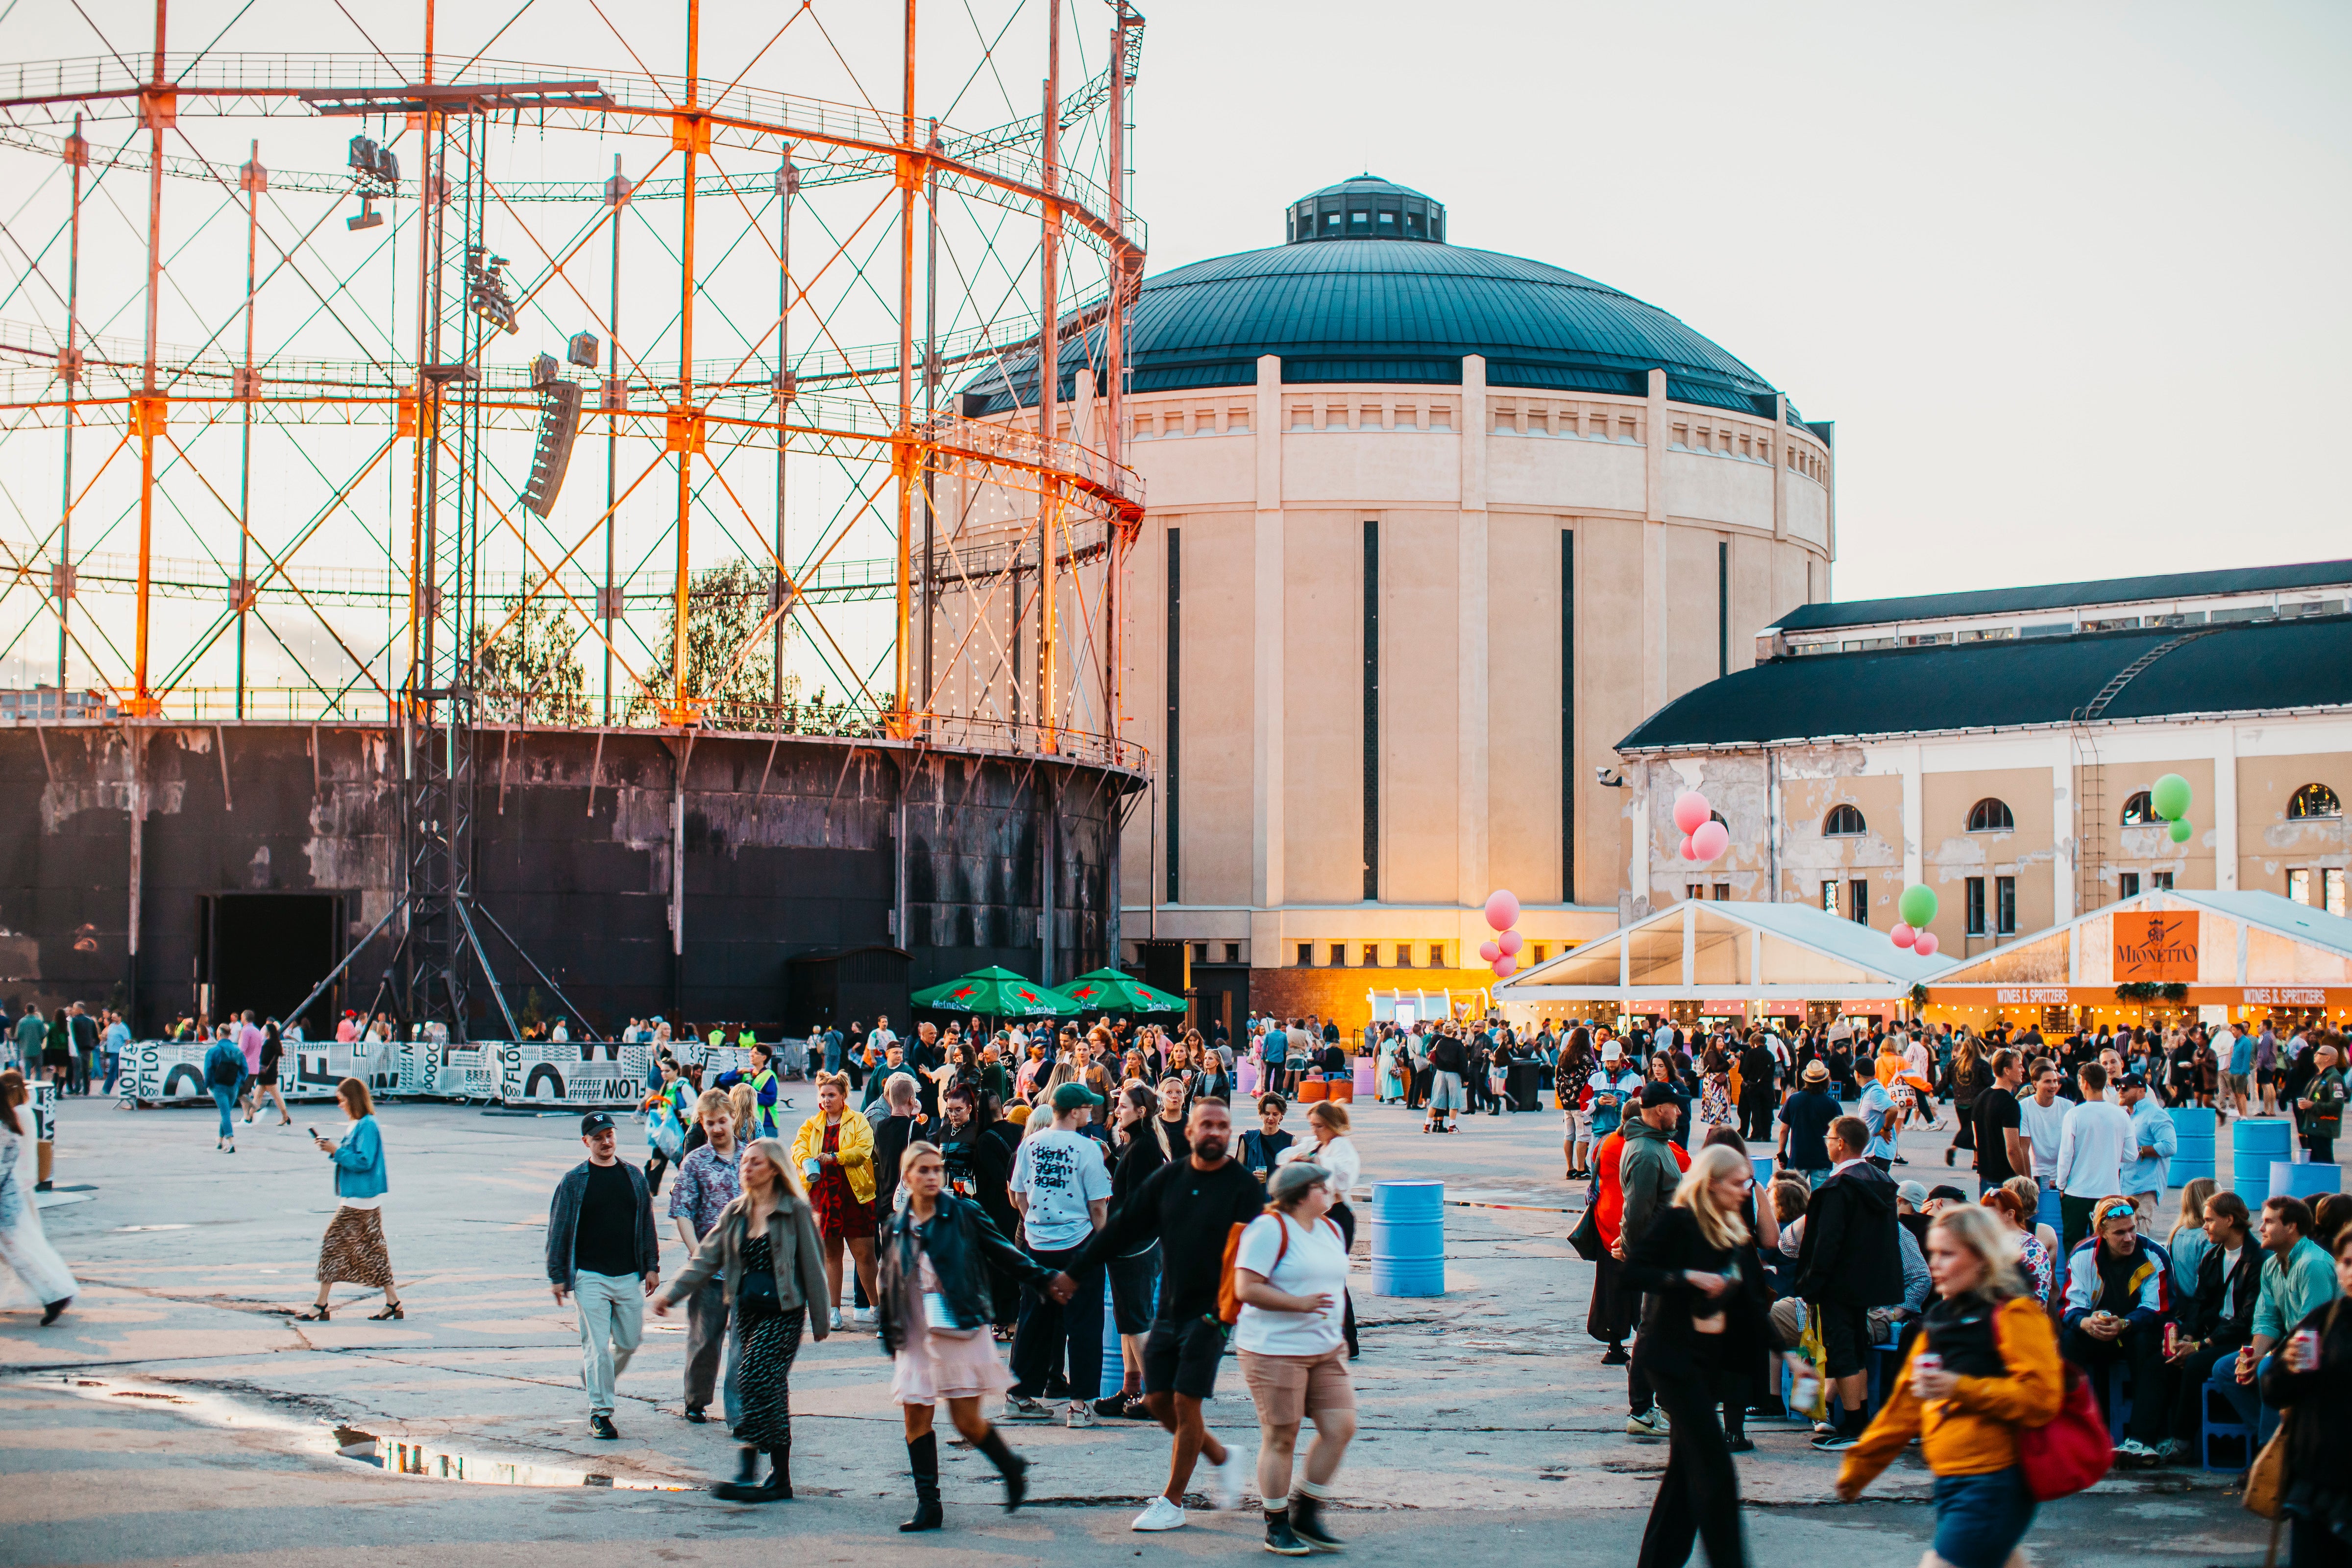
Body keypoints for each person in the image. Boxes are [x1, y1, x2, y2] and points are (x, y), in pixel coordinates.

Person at [1067, 1096, 1262, 1533]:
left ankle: (1172, 1501)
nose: (1213, 1132)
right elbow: (1122, 1226)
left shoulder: (1245, 1188)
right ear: (1188, 1132)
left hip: (1213, 1315)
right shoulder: (1169, 1179)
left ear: (1230, 1134)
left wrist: (1225, 1313)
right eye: (1205, 1125)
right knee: (1156, 1401)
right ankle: (1221, 1456)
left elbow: (1255, 1255)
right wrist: (1076, 1271)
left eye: (1222, 1126)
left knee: (1185, 1403)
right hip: (1171, 1307)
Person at [1834, 1205, 2063, 1568]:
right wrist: (1860, 1468)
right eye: (1933, 1253)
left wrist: (1960, 1387)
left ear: (1981, 1257)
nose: (1934, 1265)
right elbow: (1906, 1405)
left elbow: (2042, 1399)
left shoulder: (2015, 1314)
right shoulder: (1941, 1320)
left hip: (1996, 1483)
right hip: (1952, 1482)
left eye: (1947, 1254)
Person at [878, 1140, 1068, 1531]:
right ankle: (929, 1505)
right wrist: (888, 1329)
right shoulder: (897, 1225)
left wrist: (1045, 1278)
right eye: (924, 1170)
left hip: (959, 1325)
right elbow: (889, 1281)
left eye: (937, 1169)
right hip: (917, 1332)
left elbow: (1004, 1252)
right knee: (916, 1414)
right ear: (908, 1177)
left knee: (966, 1421)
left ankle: (1011, 1467)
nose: (933, 1177)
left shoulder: (963, 1212)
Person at [654, 1137, 830, 1501]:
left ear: (775, 1169)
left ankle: (750, 1470)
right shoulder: (736, 1212)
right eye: (744, 1162)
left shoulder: (794, 1209)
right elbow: (706, 1258)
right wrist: (671, 1294)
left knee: (752, 1376)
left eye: (756, 1163)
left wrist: (821, 1318)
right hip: (748, 1311)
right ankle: (777, 1477)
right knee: (765, 1386)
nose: (746, 1168)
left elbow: (813, 1265)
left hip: (785, 1312)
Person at [1619, 1142, 1767, 1568]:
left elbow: (1753, 1302)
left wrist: (1786, 1355)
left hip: (1708, 1366)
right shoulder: (1680, 1222)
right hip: (1673, 1364)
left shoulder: (1734, 1230)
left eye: (1749, 1181)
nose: (1746, 1189)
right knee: (1717, 1474)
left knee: (1684, 1477)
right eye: (1739, 1182)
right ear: (1713, 1183)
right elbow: (1633, 1272)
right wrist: (1688, 1277)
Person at [1234, 1161, 1357, 1555]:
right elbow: (1246, 1288)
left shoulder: (1331, 1228)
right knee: (1282, 1436)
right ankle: (1276, 1523)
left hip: (1325, 1348)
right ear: (1302, 1193)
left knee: (1341, 1427)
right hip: (1274, 1349)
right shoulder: (1269, 1229)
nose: (1331, 1191)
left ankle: (1307, 1510)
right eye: (1323, 1186)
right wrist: (1298, 1304)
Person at [546, 1111, 661, 1439]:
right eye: (598, 1137)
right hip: (589, 1276)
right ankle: (601, 1413)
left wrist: (651, 1266)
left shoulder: (634, 1177)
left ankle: (595, 1375)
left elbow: (646, 1226)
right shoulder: (573, 1181)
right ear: (586, 1142)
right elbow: (559, 1230)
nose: (606, 1141)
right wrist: (558, 1275)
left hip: (628, 1275)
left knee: (628, 1341)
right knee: (596, 1347)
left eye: (609, 1134)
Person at [1004, 1082, 1114, 1425]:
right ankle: (1079, 1405)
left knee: (1033, 1320)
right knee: (1083, 1323)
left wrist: (1033, 1223)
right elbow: (1098, 1207)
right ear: (1074, 1112)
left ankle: (1018, 1395)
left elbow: (1018, 1194)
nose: (1092, 1112)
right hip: (1078, 1242)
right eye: (1087, 1107)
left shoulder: (1030, 1143)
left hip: (1037, 1244)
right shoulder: (1087, 1149)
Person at [1793, 1116, 1905, 1451]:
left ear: (1840, 1143)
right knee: (1856, 1349)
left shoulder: (1837, 1188)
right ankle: (1860, 1419)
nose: (1826, 1141)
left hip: (1838, 1285)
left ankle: (1855, 1425)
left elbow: (1827, 1242)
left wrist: (1811, 1285)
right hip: (1868, 1283)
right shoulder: (1880, 1181)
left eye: (1829, 1136)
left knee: (1843, 1354)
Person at [2257, 1225, 2352, 1568]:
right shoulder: (2323, 1322)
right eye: (2347, 1262)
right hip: (2317, 1484)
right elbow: (2274, 1392)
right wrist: (2287, 1367)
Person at [2059, 1195, 2172, 1464]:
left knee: (2148, 1344)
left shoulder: (2154, 1255)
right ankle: (2080, 1435)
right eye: (2120, 1233)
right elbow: (2070, 1306)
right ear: (2101, 1233)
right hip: (2097, 1331)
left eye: (2132, 1229)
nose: (2129, 1238)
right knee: (2068, 1341)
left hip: (2135, 1332)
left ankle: (2142, 1440)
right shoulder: (2083, 1255)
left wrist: (2125, 1324)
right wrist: (2087, 1322)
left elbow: (2157, 1308)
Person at [292, 1079, 402, 1322]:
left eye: (342, 1100)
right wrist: (332, 1149)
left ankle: (321, 1305)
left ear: (354, 1099)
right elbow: (351, 1157)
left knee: (332, 1245)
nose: (339, 1104)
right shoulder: (357, 1124)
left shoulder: (368, 1125)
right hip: (360, 1196)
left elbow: (364, 1161)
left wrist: (335, 1151)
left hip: (360, 1198)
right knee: (374, 1251)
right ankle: (393, 1302)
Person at [2164, 1188, 2259, 1464]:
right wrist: (2189, 1337)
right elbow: (2199, 1304)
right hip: (2214, 1333)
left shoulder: (2256, 1260)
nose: (2204, 1226)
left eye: (2210, 1220)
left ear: (2230, 1220)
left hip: (2243, 1338)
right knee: (2172, 1357)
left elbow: (2246, 1320)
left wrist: (2200, 1346)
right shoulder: (2214, 1256)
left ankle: (2182, 1443)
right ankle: (2165, 1433)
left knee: (2196, 1364)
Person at [667, 1087, 744, 1426]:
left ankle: (738, 1414)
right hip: (710, 1270)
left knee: (744, 1347)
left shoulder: (751, 1157)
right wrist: (697, 1253)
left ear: (733, 1119)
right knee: (705, 1342)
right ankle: (696, 1400)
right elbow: (682, 1209)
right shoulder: (695, 1162)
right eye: (710, 1123)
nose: (717, 1129)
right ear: (702, 1122)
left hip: (748, 1268)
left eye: (722, 1122)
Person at [1618, 1080, 1688, 1439]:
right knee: (1651, 1332)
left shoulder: (1657, 1146)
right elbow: (1637, 1212)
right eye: (1675, 1106)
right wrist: (1635, 1257)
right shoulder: (1646, 1152)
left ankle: (1657, 1406)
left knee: (1663, 1332)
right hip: (1658, 1259)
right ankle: (1642, 1411)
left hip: (1667, 1255)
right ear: (1660, 1109)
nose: (1679, 1112)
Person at [789, 1071, 879, 1330]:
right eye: (823, 1095)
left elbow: (864, 1150)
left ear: (843, 1097)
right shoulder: (812, 1124)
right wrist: (804, 1159)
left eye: (832, 1095)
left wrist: (835, 1157)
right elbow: (798, 1148)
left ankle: (876, 1307)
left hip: (855, 1195)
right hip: (823, 1195)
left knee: (865, 1254)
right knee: (831, 1255)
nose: (827, 1100)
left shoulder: (859, 1120)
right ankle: (834, 1310)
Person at [1278, 1100, 1363, 1359]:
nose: (1315, 1131)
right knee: (1314, 1273)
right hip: (1315, 1216)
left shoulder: (1342, 1147)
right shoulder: (1316, 1144)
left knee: (1334, 1276)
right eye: (1312, 1126)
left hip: (1337, 1215)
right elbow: (1283, 1157)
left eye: (1319, 1126)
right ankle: (1321, 1336)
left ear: (1331, 1125)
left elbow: (1344, 1178)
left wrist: (1314, 1162)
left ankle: (1348, 1341)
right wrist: (1299, 1158)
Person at [0, 1070, 75, 1323]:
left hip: (5, 1200)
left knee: (19, 1253)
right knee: (21, 1250)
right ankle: (55, 1292)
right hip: (10, 1197)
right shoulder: (11, 1120)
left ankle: (55, 1293)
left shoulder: (8, 1123)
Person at [2053, 1061, 2132, 1250]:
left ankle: (2077, 1279)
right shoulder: (2121, 1115)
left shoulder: (2075, 1115)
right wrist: (2110, 1153)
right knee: (2108, 1245)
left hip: (2077, 1191)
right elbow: (2131, 1154)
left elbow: (2066, 1155)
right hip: (2109, 1191)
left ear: (2084, 1083)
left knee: (2075, 1245)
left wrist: (2061, 1184)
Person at [2117, 1074, 2178, 1229]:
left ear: (2141, 1090)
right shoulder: (2127, 1116)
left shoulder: (2155, 1113)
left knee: (2138, 1236)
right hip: (2126, 1185)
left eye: (2125, 1087)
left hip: (2144, 1186)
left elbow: (2170, 1146)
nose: (2120, 1091)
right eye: (2118, 1087)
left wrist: (2140, 1151)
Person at [1776, 1060, 1842, 1186]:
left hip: (1798, 1158)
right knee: (1819, 1199)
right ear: (1825, 1081)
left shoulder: (1793, 1100)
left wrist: (1781, 1153)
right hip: (1823, 1158)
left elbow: (1784, 1130)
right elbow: (1840, 1132)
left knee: (1795, 1198)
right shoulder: (1832, 1104)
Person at [1970, 1049, 2028, 1189]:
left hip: (1985, 1177)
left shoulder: (1981, 1098)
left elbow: (1976, 1142)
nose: (2023, 1070)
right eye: (2019, 1066)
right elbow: (2013, 1149)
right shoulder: (2010, 1103)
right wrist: (2024, 1178)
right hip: (2005, 1180)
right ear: (2007, 1070)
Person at [2297, 1041, 2346, 1163]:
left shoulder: (2334, 1078)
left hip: (2324, 1128)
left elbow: (2337, 1105)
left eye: (2319, 1053)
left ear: (2327, 1058)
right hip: (2314, 1127)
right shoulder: (2320, 1076)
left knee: (2325, 1163)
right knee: (2316, 1164)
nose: (2315, 1055)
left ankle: (2328, 1183)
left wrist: (2312, 1105)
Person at [202, 1028, 246, 1153]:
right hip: (233, 1086)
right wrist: (239, 1082)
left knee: (225, 1113)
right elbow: (245, 1070)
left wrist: (209, 1085)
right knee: (226, 1112)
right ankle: (220, 1140)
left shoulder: (213, 1051)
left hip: (219, 1086)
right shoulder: (238, 1050)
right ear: (230, 1034)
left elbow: (208, 1070)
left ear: (219, 1034)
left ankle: (231, 1142)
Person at [1239, 1093, 1295, 1178]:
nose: (1271, 1118)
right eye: (1267, 1113)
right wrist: (1250, 1178)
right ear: (1261, 1114)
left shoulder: (1290, 1141)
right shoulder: (1248, 1139)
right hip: (1255, 1191)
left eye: (1275, 1114)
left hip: (1280, 1191)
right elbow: (1237, 1173)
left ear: (1281, 1116)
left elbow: (1296, 1176)